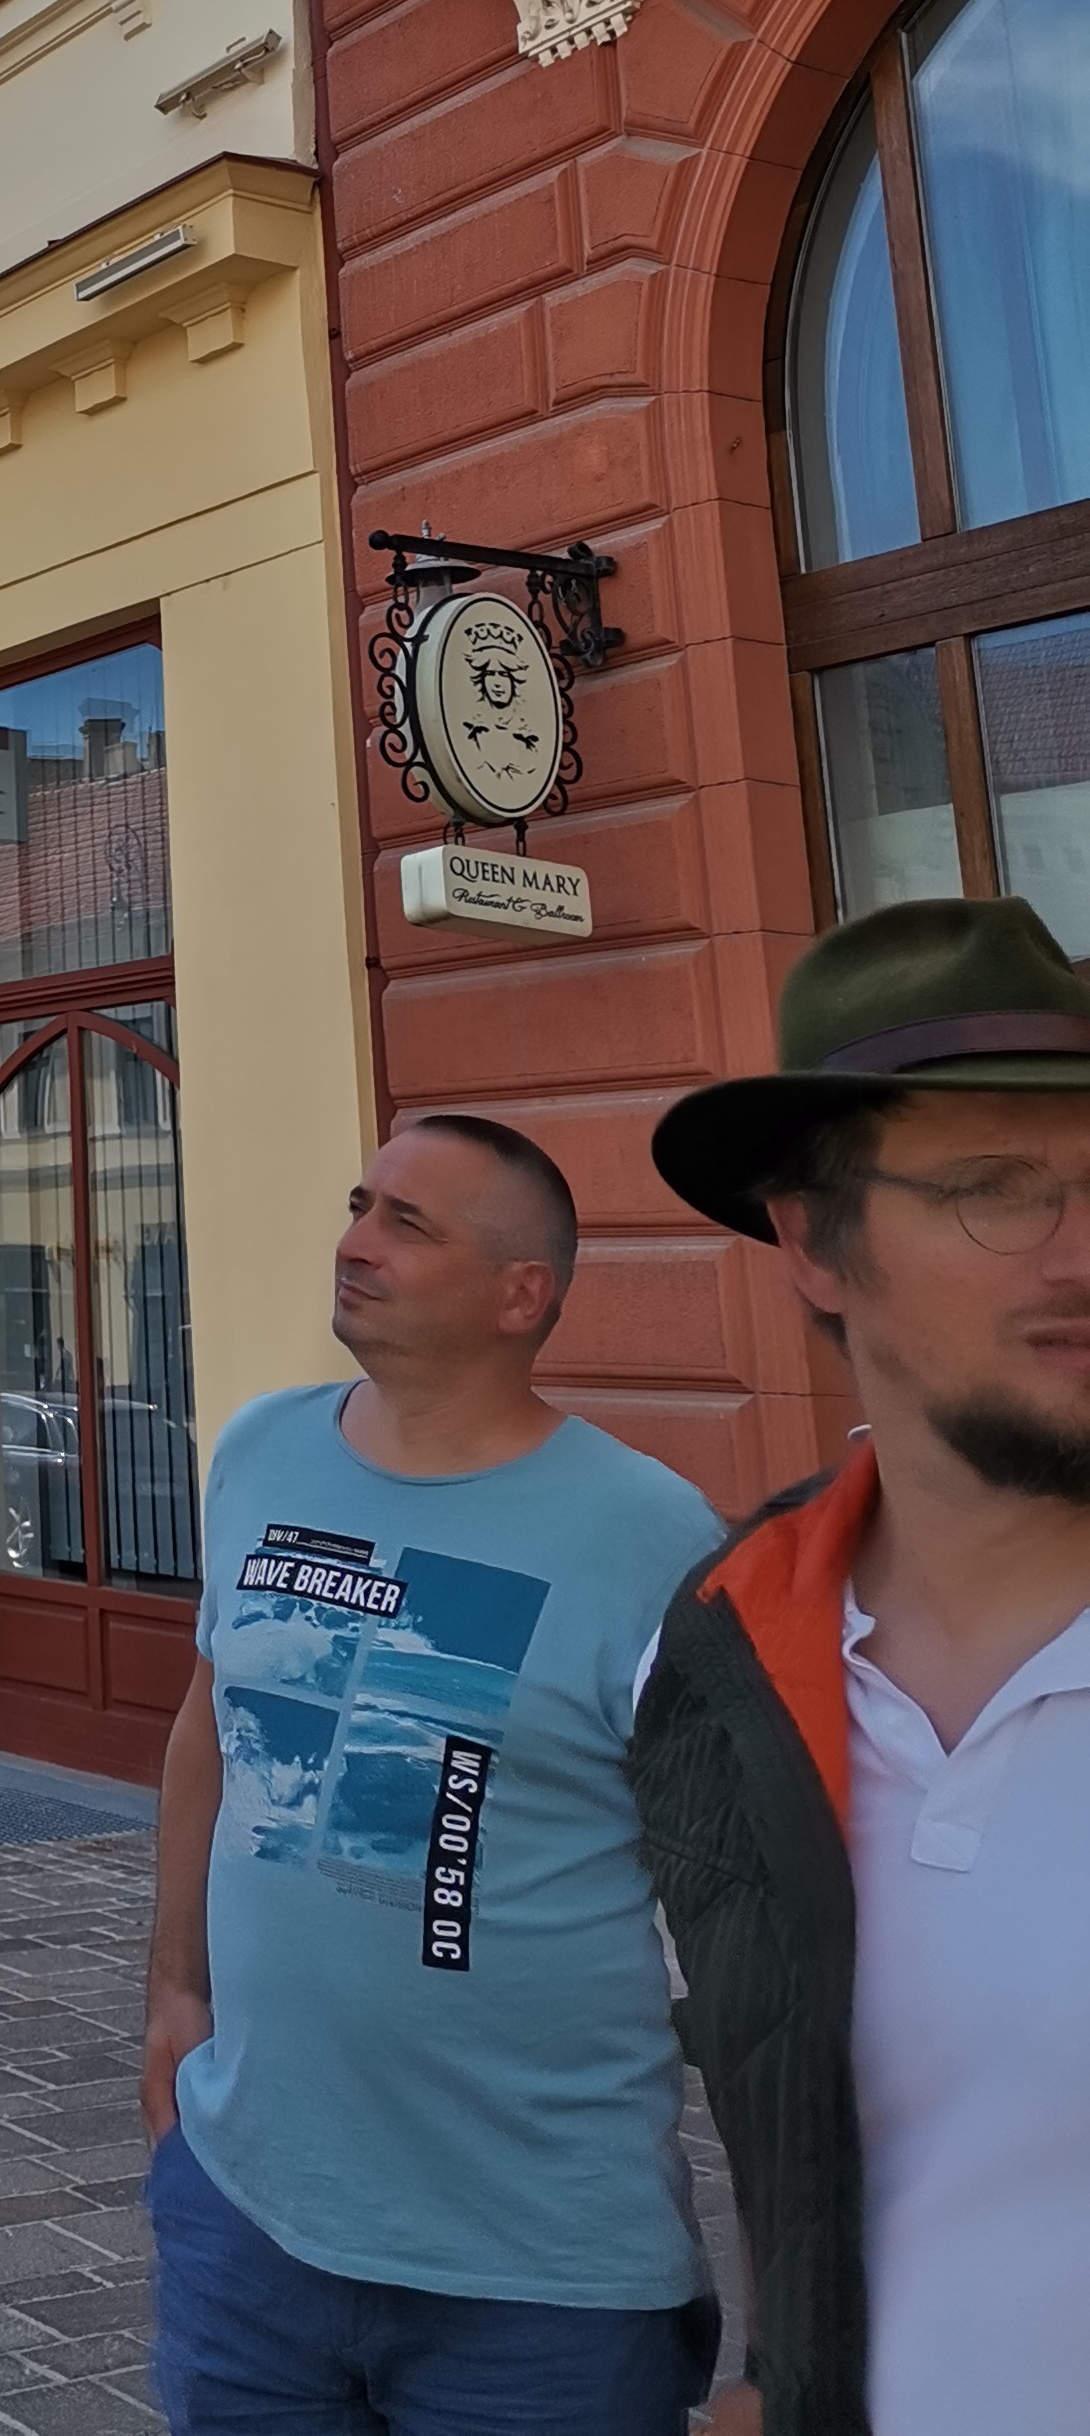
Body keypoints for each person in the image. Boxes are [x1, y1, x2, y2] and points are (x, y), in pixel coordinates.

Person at [143, 1113, 723, 2435]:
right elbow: (207, 1728)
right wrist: (176, 1988)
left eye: (407, 1224)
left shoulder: (649, 1534)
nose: (356, 1243)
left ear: (523, 1295)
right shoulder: (260, 1452)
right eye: (361, 1206)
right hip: (251, 2220)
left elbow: (737, 1892)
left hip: (536, 2275)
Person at [637, 897, 1090, 2436]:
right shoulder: (720, 1653)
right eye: (993, 1189)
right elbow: (802, 2112)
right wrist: (787, 2374)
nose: (1082, 1251)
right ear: (812, 1241)